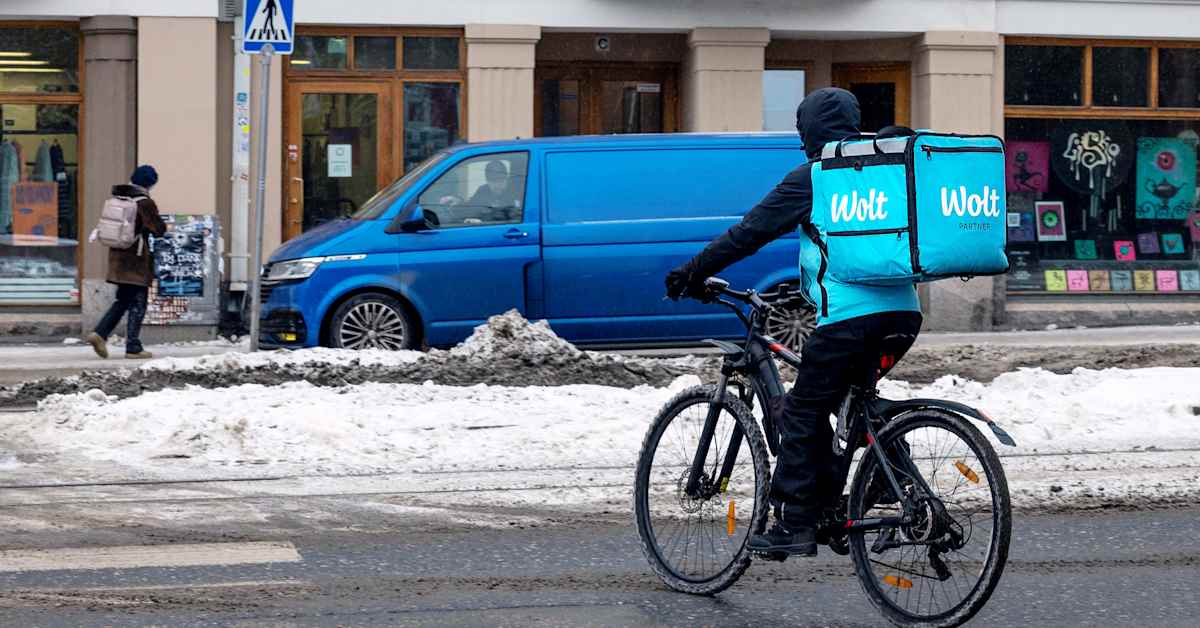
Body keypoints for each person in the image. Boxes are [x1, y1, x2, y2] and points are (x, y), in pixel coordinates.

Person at [664, 88, 922, 557]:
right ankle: (890, 476)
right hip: (904, 314)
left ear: (810, 131)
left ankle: (796, 524)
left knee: (802, 411)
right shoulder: (883, 168)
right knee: (847, 397)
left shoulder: (817, 176)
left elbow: (750, 232)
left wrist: (693, 271)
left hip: (850, 318)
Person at [85, 165, 167, 360]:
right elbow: (159, 229)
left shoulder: (119, 198)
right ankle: (132, 346)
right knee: (138, 303)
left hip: (118, 259)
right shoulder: (144, 202)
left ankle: (101, 334)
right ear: (150, 184)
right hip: (136, 262)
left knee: (123, 300)